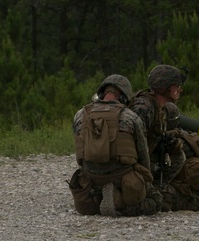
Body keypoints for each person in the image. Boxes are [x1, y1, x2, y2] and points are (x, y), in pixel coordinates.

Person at [128, 64, 199, 211]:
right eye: (177, 86)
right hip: (135, 167)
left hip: (144, 163)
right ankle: (156, 192)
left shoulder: (157, 107)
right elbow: (135, 148)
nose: (180, 90)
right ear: (165, 88)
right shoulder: (144, 109)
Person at [69, 74, 161, 217]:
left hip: (91, 175)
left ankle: (96, 199)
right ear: (124, 97)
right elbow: (142, 154)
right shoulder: (131, 117)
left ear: (101, 94)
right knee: (155, 200)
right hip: (121, 175)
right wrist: (145, 177)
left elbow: (80, 152)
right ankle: (118, 202)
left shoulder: (80, 115)